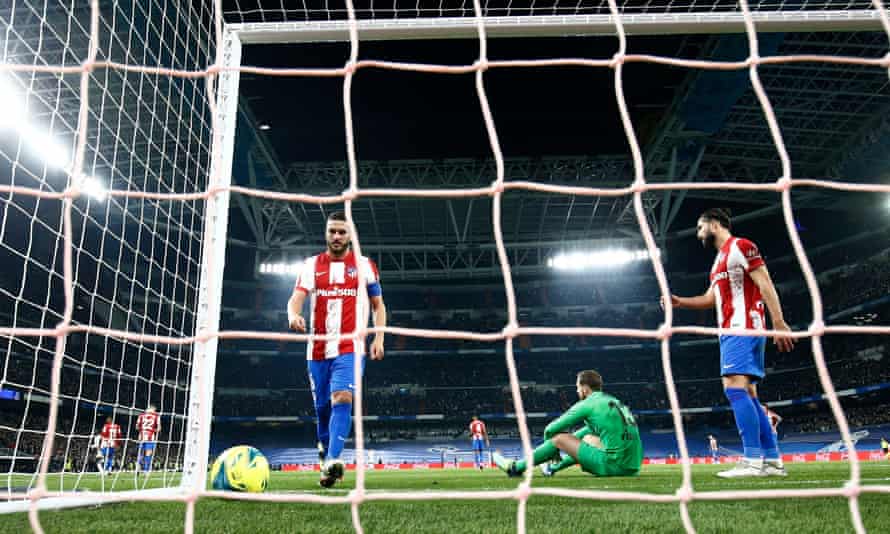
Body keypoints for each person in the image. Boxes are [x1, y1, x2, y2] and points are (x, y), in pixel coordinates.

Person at [665, 208, 794, 478]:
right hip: (735, 330)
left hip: (743, 327)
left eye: (700, 228)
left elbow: (765, 282)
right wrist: (680, 302)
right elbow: (710, 298)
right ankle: (771, 460)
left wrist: (779, 323)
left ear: (714, 225)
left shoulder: (741, 246)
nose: (698, 234)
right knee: (749, 395)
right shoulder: (718, 262)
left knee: (733, 388)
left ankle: (751, 460)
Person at [288, 211, 387, 488]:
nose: (336, 236)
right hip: (317, 350)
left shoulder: (365, 265)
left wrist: (378, 338)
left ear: (350, 235)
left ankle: (332, 461)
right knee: (322, 411)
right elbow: (295, 300)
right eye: (332, 231)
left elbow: (379, 306)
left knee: (342, 397)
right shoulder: (311, 265)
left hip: (351, 346)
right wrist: (292, 315)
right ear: (326, 233)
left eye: (341, 232)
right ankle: (325, 461)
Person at [492, 370, 642, 478]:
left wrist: (553, 450)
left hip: (614, 466)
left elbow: (550, 430)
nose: (577, 391)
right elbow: (581, 435)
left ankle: (514, 468)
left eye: (577, 387)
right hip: (633, 467)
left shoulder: (587, 404)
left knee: (558, 438)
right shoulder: (614, 401)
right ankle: (552, 468)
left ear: (584, 388)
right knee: (588, 439)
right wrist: (562, 447)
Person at [136, 405, 161, 476]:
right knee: (148, 454)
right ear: (153, 410)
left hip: (141, 436)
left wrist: (143, 429)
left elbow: (137, 427)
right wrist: (153, 430)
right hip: (150, 437)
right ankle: (146, 471)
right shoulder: (156, 416)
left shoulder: (141, 415)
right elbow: (159, 429)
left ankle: (138, 466)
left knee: (140, 453)